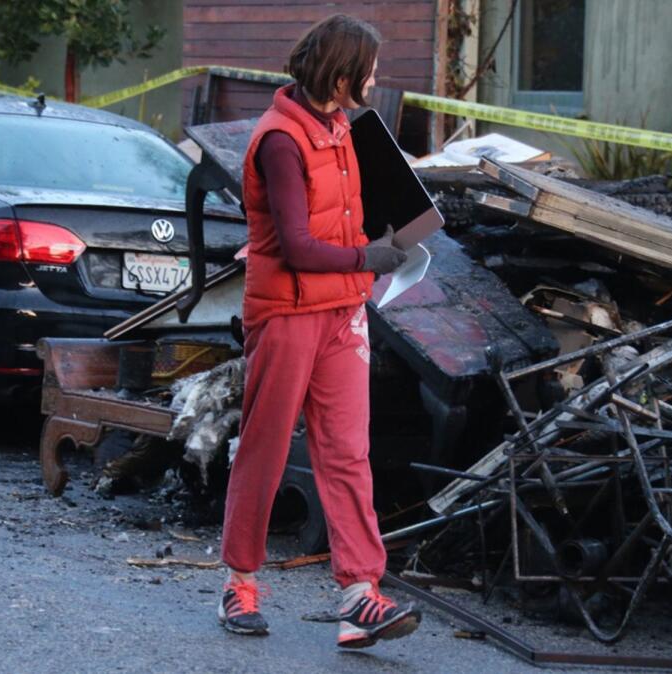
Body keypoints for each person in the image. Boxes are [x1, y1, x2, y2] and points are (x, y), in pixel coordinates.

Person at [216, 14, 421, 649]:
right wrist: (370, 258)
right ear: (341, 73)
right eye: (370, 69)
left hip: (342, 311)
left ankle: (360, 597)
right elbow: (300, 248)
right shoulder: (281, 140)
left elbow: (340, 226)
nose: (377, 78)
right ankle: (238, 584)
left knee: (347, 453)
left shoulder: (340, 129)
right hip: (286, 313)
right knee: (267, 447)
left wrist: (388, 240)